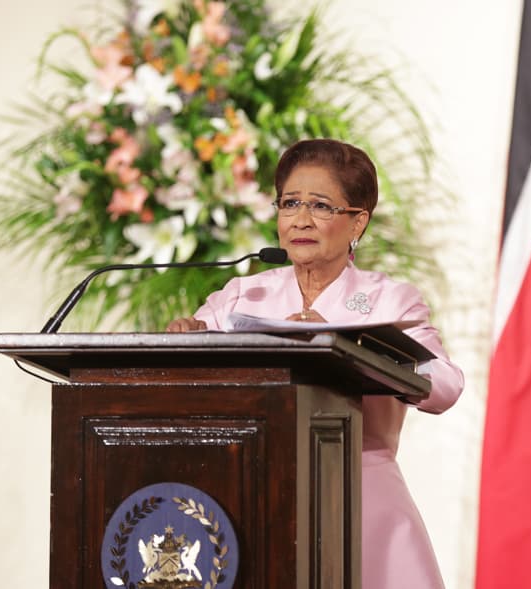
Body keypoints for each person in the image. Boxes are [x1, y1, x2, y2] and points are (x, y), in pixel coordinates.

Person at [166, 138, 464, 588]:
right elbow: (189, 370)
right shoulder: (244, 295)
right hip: (248, 493)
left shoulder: (389, 301)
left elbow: (444, 384)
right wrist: (184, 340)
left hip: (358, 496)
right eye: (290, 203)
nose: (301, 219)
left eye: (321, 206)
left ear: (357, 222)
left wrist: (355, 348)